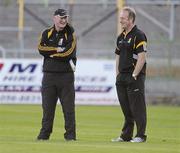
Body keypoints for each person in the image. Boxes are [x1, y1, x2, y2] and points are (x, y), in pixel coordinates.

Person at [37, 8, 77, 141]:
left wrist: (52, 55)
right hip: (49, 76)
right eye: (61, 17)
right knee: (47, 109)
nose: (64, 20)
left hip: (66, 76)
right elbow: (41, 48)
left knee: (68, 109)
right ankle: (44, 135)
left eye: (65, 18)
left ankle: (70, 136)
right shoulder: (46, 33)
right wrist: (56, 49)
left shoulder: (71, 33)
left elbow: (68, 53)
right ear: (54, 18)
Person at [112, 6, 147, 143]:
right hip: (122, 77)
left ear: (131, 19)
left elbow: (142, 57)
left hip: (134, 77)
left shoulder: (139, 35)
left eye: (123, 18)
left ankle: (140, 135)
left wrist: (135, 74)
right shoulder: (120, 37)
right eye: (120, 18)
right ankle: (126, 135)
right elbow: (117, 56)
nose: (120, 21)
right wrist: (117, 74)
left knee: (137, 108)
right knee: (126, 109)